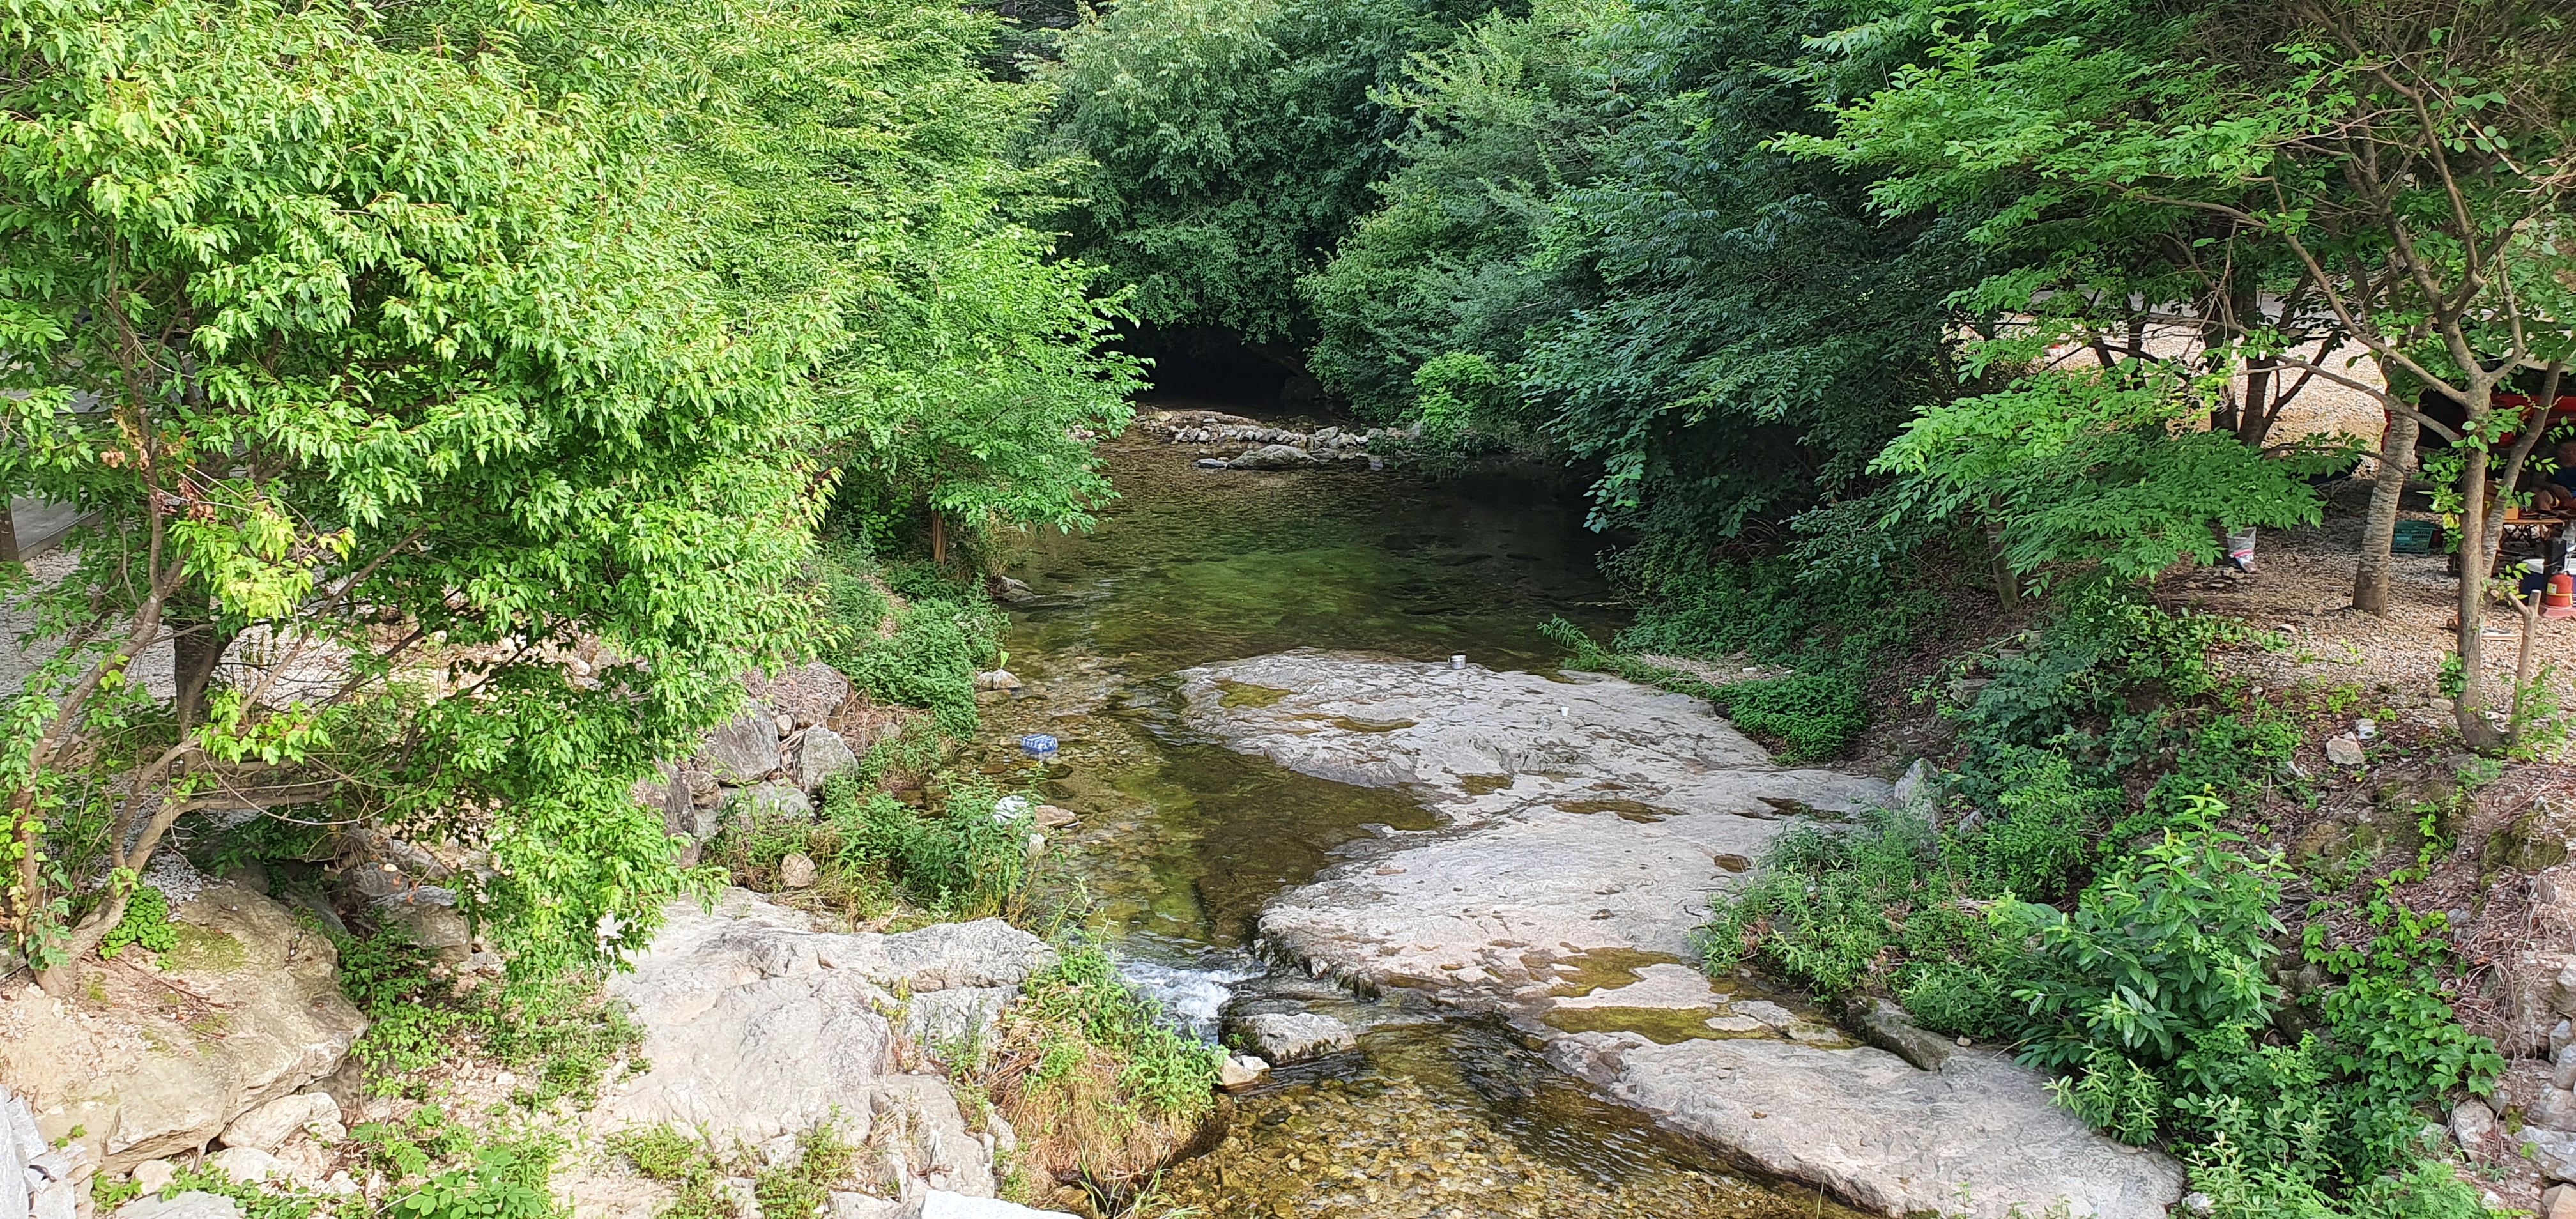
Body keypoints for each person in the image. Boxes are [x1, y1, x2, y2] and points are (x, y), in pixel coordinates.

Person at [2533, 438, 2576, 513]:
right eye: (2566, 451)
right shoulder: (2549, 463)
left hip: (2573, 498)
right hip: (2555, 496)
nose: (2570, 454)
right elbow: (2537, 482)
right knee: (2537, 493)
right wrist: (2553, 487)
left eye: (2574, 451)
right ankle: (2545, 516)